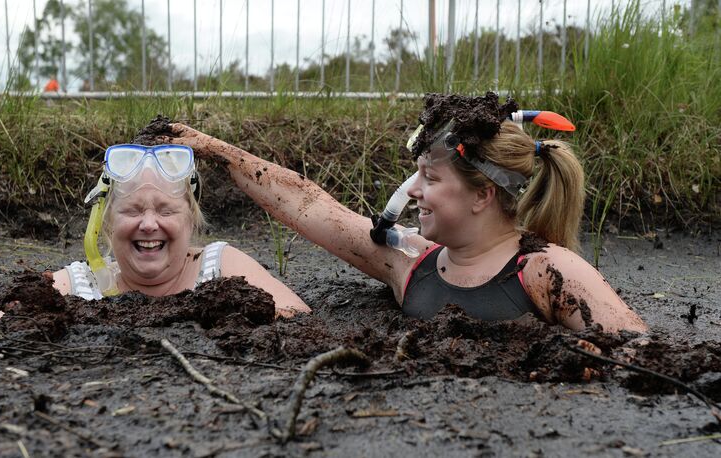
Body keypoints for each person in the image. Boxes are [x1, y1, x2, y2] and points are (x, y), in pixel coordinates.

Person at [155, 92, 647, 333]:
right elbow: (306, 203)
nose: (412, 192)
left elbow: (634, 348)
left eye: (431, 180)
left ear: (483, 196)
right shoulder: (409, 259)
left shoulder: (548, 271)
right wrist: (207, 147)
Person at [0, 144, 309, 335]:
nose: (149, 224)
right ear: (104, 224)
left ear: (190, 219)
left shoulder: (221, 265)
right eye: (132, 210)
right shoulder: (82, 284)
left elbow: (300, 318)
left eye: (166, 210)